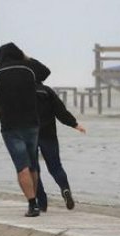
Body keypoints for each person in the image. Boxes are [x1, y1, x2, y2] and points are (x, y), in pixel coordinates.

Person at [0, 42, 50, 217]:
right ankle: (35, 201)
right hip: (32, 124)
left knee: (21, 167)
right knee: (33, 166)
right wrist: (27, 58)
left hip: (10, 127)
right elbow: (46, 72)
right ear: (19, 54)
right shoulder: (28, 69)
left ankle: (32, 205)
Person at [34, 83, 86, 212]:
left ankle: (42, 202)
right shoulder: (47, 91)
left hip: (29, 134)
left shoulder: (22, 91)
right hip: (48, 134)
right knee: (56, 166)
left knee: (33, 169)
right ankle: (65, 188)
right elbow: (60, 111)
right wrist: (74, 124)